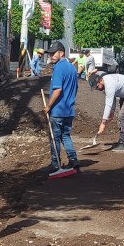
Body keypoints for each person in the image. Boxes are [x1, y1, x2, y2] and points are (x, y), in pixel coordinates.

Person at [43, 40, 79, 172]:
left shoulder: (58, 68)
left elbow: (57, 90)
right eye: (50, 53)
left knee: (55, 137)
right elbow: (75, 88)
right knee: (66, 136)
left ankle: (55, 164)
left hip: (58, 110)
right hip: (69, 110)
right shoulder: (71, 68)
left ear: (61, 53)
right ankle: (73, 159)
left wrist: (48, 106)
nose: (51, 56)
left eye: (53, 53)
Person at [89, 71, 124, 152]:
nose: (97, 89)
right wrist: (112, 112)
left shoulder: (109, 84)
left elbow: (108, 104)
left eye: (96, 86)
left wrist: (103, 123)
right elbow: (112, 98)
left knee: (123, 115)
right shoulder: (105, 84)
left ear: (100, 81)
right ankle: (123, 140)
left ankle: (123, 143)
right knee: (123, 116)